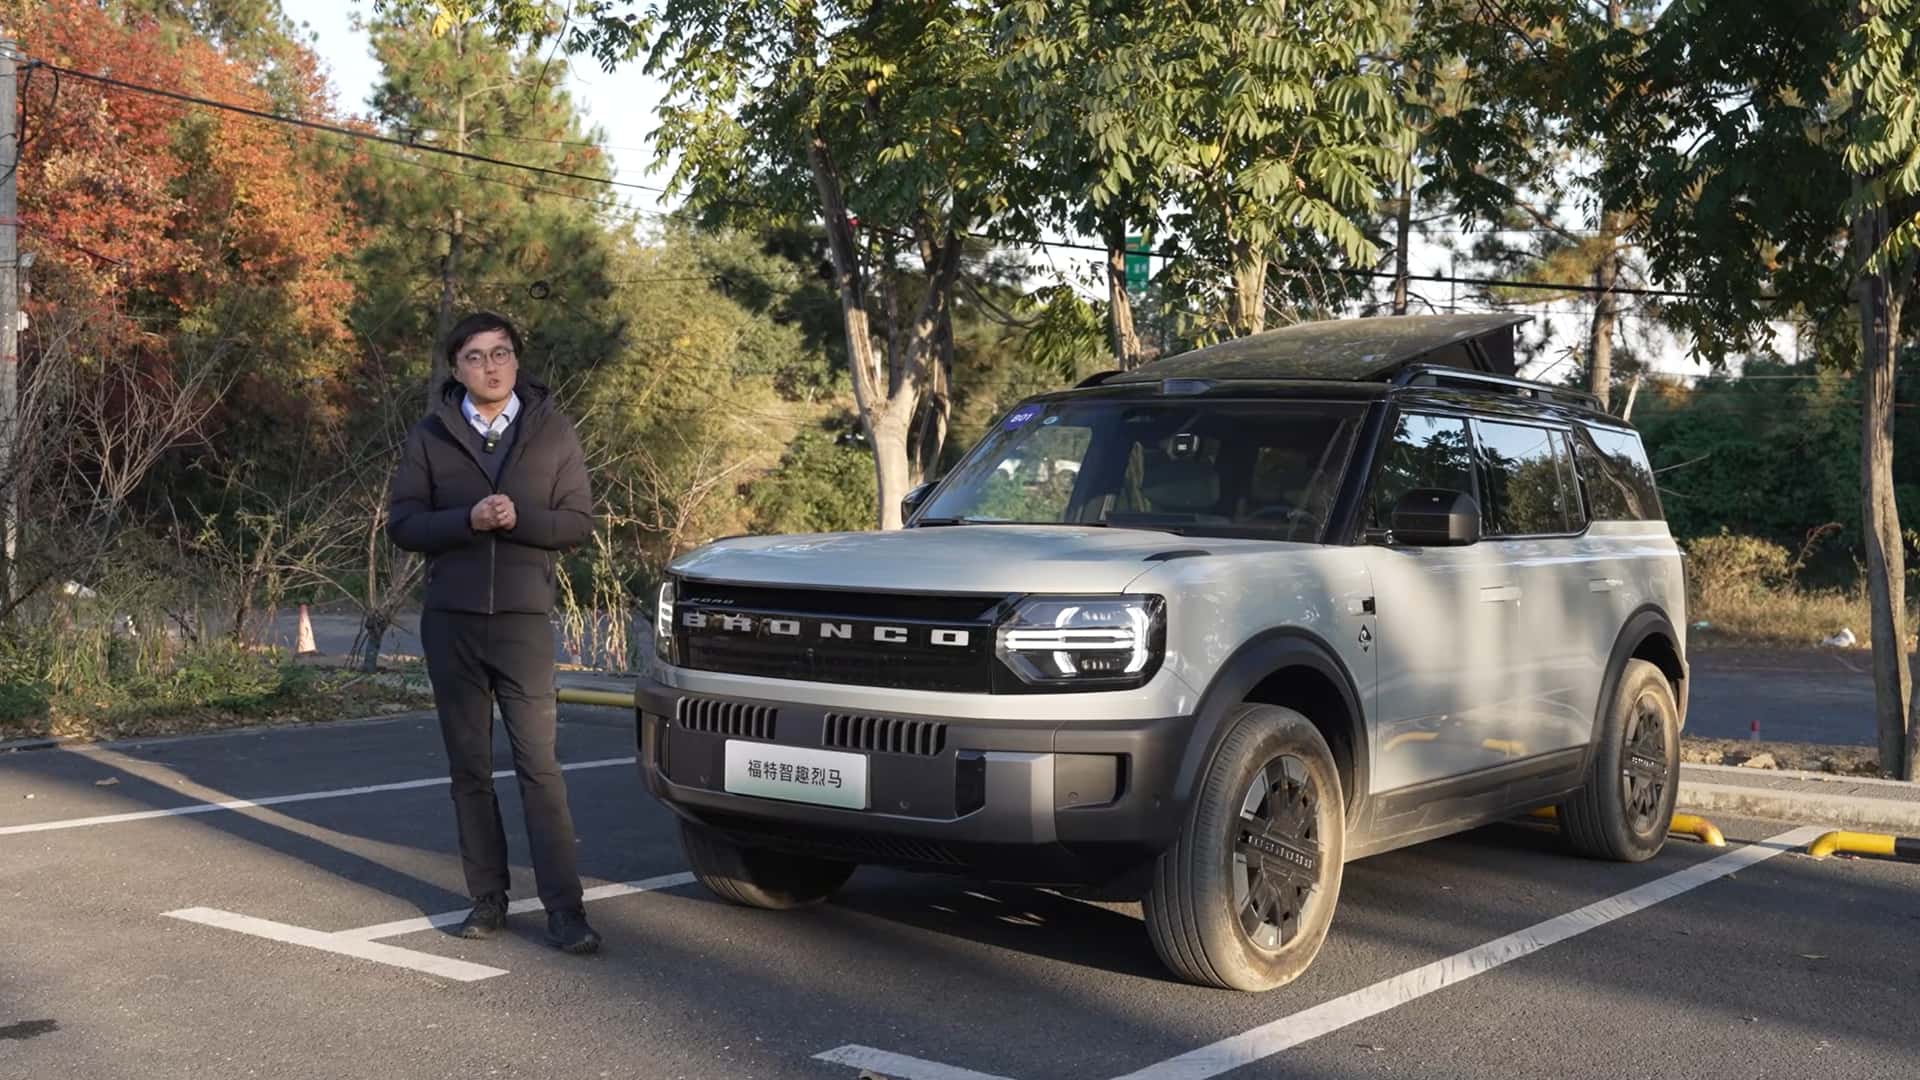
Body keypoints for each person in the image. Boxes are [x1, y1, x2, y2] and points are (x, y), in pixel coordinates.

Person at [387, 311, 601, 955]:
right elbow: (404, 524)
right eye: (475, 356)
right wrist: (468, 519)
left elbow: (577, 523)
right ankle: (488, 899)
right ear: (457, 369)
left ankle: (566, 910)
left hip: (523, 621)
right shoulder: (430, 434)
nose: (491, 366)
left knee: (540, 768)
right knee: (469, 768)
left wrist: (518, 517)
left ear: (516, 360)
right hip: (451, 621)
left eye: (501, 353)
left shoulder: (552, 431)